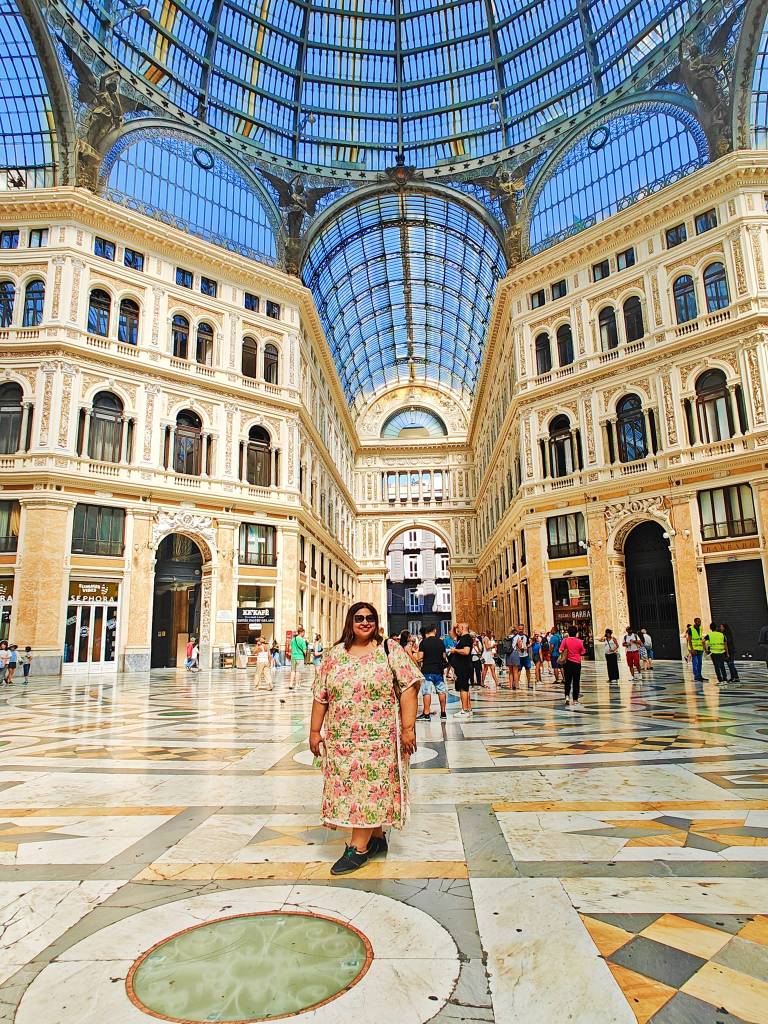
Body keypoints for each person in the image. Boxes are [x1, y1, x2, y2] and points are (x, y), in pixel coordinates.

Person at [308, 602, 420, 875]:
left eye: (370, 618)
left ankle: (358, 848)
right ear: (350, 621)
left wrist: (408, 728)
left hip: (379, 740)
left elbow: (409, 687)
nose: (365, 622)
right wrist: (314, 731)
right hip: (342, 740)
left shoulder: (389, 649)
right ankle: (376, 838)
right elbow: (321, 695)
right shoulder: (335, 654)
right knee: (351, 789)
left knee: (370, 789)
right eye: (359, 618)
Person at [417, 624, 447, 720]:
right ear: (434, 631)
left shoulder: (423, 642)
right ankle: (443, 713)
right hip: (438, 670)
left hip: (427, 670)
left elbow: (420, 657)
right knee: (441, 691)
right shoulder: (440, 642)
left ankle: (426, 714)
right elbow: (444, 656)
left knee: (427, 692)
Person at [449, 622, 474, 716]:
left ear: (463, 628)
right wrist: (453, 627)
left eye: (459, 628)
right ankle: (468, 709)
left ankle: (465, 710)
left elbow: (466, 651)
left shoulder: (466, 638)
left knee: (463, 688)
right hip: (462, 666)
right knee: (465, 687)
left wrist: (455, 650)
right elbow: (452, 635)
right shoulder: (462, 638)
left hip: (464, 666)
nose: (457, 629)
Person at [559, 626, 586, 707]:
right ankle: (575, 700)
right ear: (576, 633)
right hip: (577, 663)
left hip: (567, 663)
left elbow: (560, 650)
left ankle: (567, 697)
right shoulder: (580, 641)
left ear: (568, 632)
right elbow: (583, 652)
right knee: (576, 681)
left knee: (567, 681)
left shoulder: (565, 640)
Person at [687, 618, 707, 682]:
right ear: (695, 622)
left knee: (700, 663)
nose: (699, 623)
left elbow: (700, 638)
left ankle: (699, 676)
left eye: (700, 622)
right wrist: (692, 649)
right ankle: (696, 676)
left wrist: (704, 648)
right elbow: (689, 640)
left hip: (700, 648)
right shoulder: (690, 629)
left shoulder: (700, 628)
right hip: (694, 649)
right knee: (695, 663)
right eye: (698, 622)